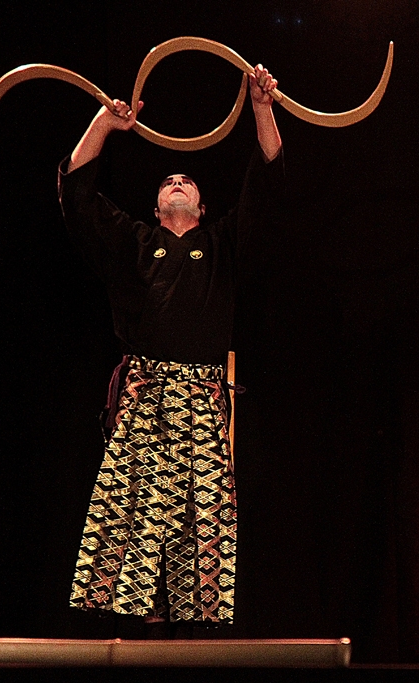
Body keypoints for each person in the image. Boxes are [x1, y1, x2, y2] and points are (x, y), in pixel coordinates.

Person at [60, 65, 283, 633]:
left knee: (203, 541)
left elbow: (267, 183)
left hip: (204, 404)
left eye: (187, 180)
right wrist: (105, 125)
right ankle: (123, 642)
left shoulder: (222, 246)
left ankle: (194, 644)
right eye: (167, 181)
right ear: (158, 207)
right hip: (146, 397)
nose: (177, 180)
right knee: (125, 538)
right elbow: (78, 193)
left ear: (203, 207)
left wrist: (260, 106)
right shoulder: (134, 241)